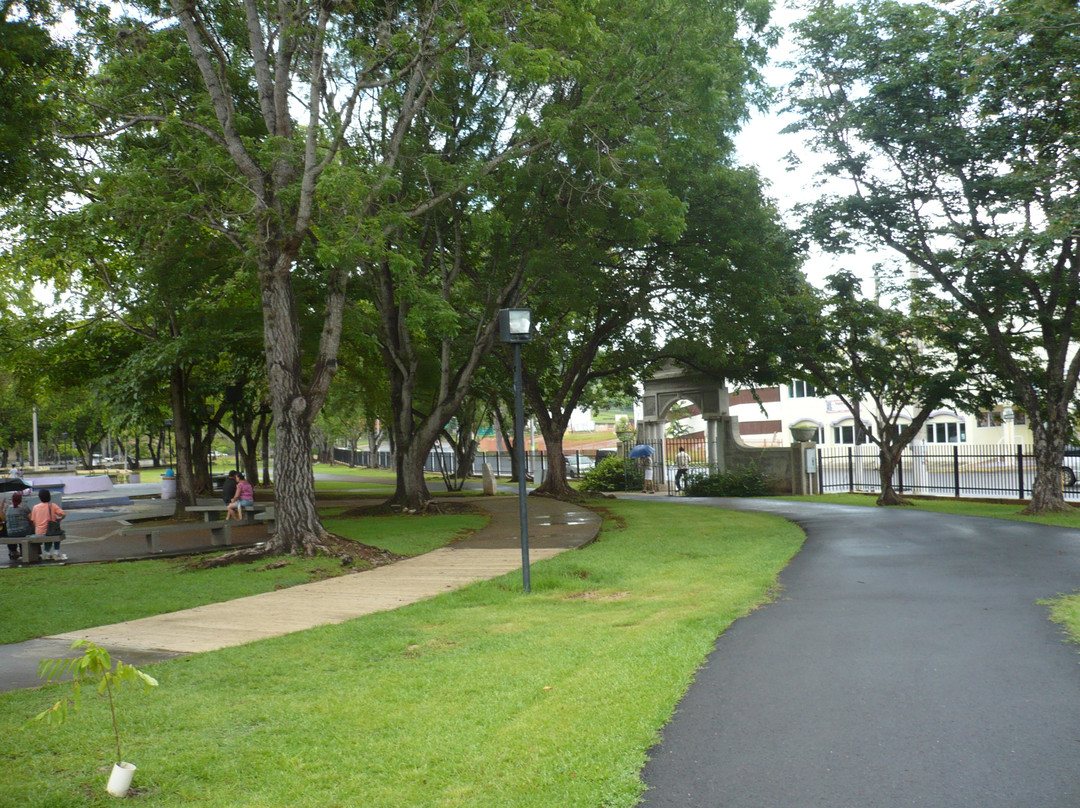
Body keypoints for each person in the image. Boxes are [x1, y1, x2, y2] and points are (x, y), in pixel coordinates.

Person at [31, 488, 66, 561]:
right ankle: (56, 552)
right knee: (58, 532)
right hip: (50, 531)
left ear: (40, 498)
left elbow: (33, 520)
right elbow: (63, 514)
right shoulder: (52, 506)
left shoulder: (35, 507)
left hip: (39, 532)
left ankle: (47, 552)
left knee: (48, 533)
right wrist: (59, 519)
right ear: (49, 497)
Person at [5, 492, 31, 561]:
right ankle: (24, 551)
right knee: (28, 530)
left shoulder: (7, 509)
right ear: (20, 500)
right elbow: (31, 519)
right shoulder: (24, 508)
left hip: (11, 533)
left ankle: (13, 551)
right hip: (23, 532)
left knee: (12, 532)